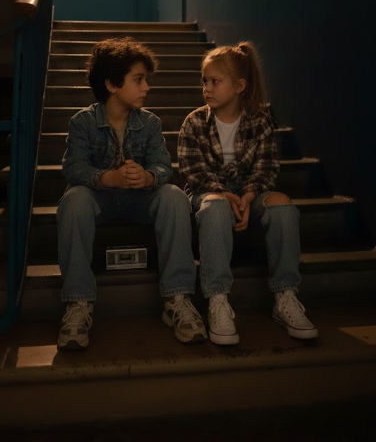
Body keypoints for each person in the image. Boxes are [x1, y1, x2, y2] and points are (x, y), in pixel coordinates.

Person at [56, 37, 207, 350]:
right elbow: (73, 168)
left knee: (174, 196)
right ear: (112, 84)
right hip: (100, 199)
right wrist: (107, 177)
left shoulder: (149, 123)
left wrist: (149, 176)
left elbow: (164, 166)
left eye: (146, 80)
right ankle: (78, 303)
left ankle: (177, 298)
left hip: (140, 200)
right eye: (138, 80)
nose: (146, 87)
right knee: (73, 199)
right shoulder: (82, 122)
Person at [177, 41, 318, 345]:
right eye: (205, 81)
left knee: (283, 205)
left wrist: (249, 195)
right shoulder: (194, 122)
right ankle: (217, 299)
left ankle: (285, 295)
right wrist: (226, 195)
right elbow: (193, 172)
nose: (207, 88)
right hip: (209, 195)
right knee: (215, 206)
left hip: (249, 195)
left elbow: (266, 168)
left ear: (239, 86)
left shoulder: (260, 121)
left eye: (215, 81)